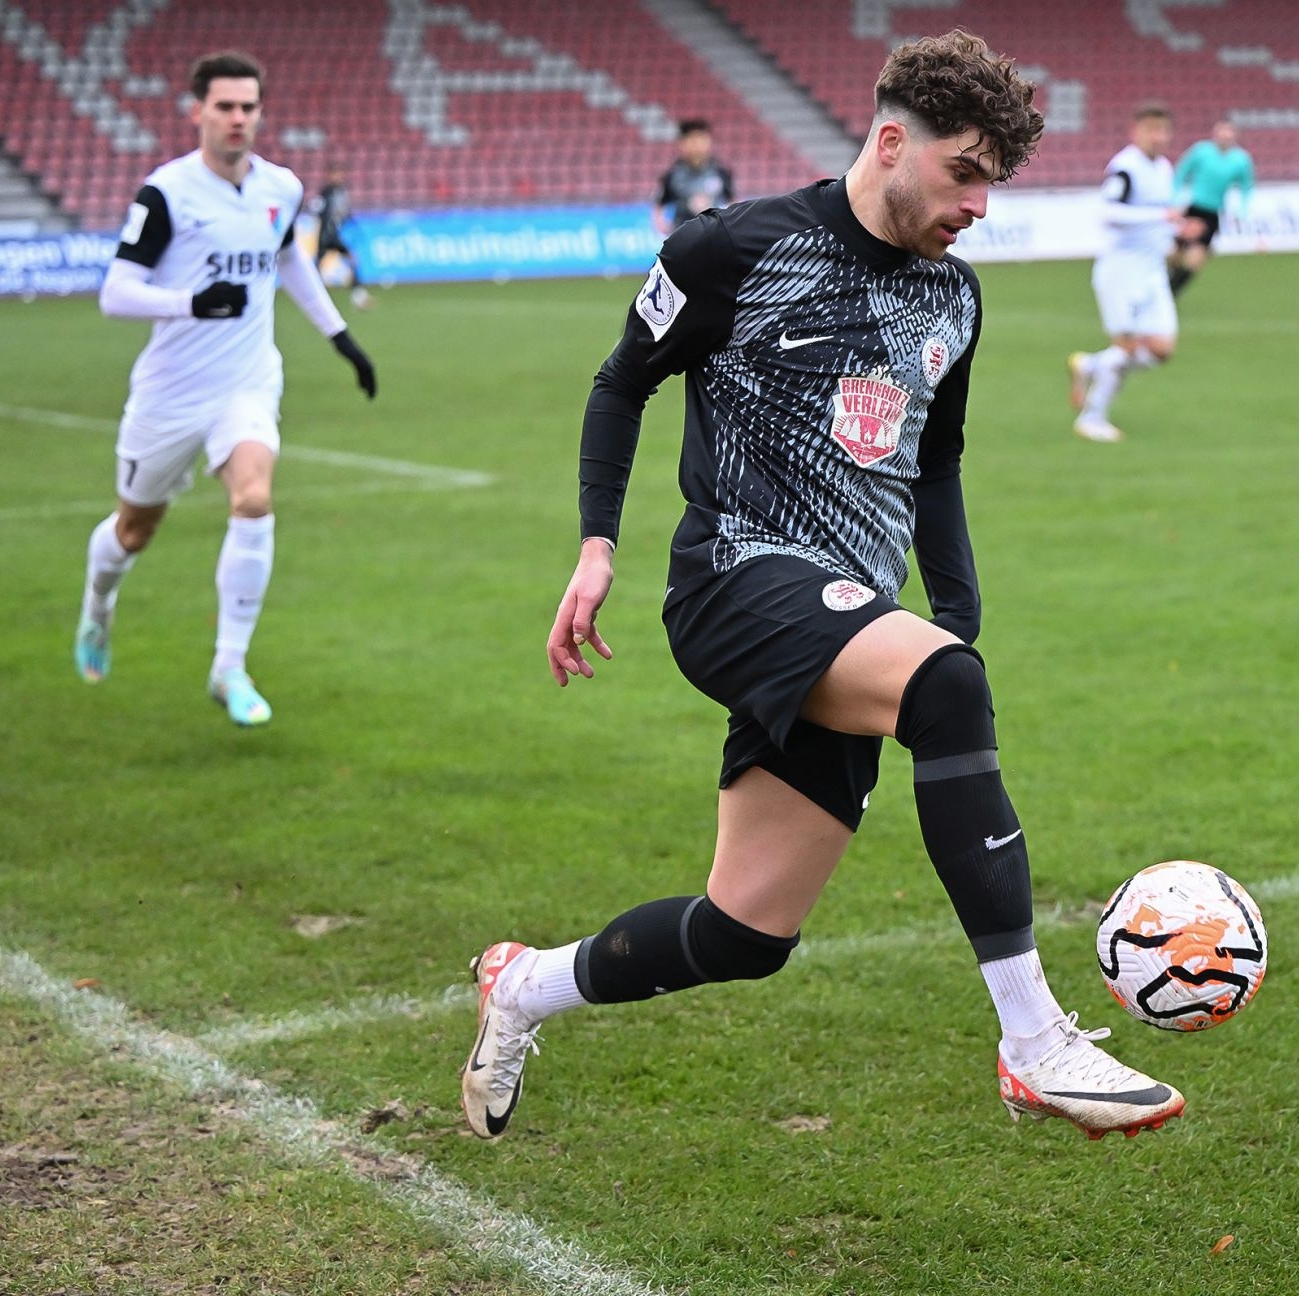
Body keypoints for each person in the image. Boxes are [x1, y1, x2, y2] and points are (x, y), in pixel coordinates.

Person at [461, 31, 1185, 1145]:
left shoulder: (955, 298)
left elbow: (934, 464)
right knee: (944, 689)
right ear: (891, 142)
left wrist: (954, 615)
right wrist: (597, 543)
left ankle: (521, 987)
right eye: (965, 172)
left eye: (994, 183)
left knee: (745, 933)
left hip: (848, 613)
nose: (979, 205)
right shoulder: (732, 249)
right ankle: (1036, 1040)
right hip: (733, 580)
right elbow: (622, 382)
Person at [76, 51, 376, 727]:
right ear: (198, 112)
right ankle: (98, 605)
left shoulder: (281, 187)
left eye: (248, 107)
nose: (238, 118)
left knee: (254, 497)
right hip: (171, 392)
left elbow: (288, 257)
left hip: (247, 381)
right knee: (133, 531)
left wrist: (340, 337)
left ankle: (229, 667)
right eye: (225, 107)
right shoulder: (167, 192)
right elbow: (115, 292)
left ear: (260, 113)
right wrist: (190, 303)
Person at [1066, 103, 1179, 444]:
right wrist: (1160, 218)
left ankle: (1089, 365)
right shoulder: (1125, 168)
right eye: (1151, 130)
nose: (1158, 137)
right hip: (1121, 271)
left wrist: (1173, 235)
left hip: (1152, 271)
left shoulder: (1164, 168)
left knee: (1161, 348)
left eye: (1163, 130)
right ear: (1136, 132)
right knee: (1127, 349)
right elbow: (1109, 213)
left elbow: (1162, 216)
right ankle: (1092, 418)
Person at [1168, 117, 1253, 295]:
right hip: (1192, 209)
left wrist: (1242, 210)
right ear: (1215, 134)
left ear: (1235, 136)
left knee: (1195, 261)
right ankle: (1162, 283)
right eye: (1222, 133)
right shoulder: (1201, 152)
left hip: (1212, 214)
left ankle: (1170, 293)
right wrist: (1175, 201)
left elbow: (1247, 188)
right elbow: (1181, 173)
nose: (1225, 137)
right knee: (1173, 254)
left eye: (1229, 134)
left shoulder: (1241, 160)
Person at [651, 118, 735, 235]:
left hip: (714, 234)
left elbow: (732, 200)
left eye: (701, 139)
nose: (697, 145)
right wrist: (664, 227)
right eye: (692, 140)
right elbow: (659, 205)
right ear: (682, 143)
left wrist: (731, 223)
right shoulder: (672, 175)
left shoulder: (721, 171)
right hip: (682, 235)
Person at [314, 165, 370, 309]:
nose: (338, 177)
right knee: (317, 265)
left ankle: (358, 293)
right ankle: (314, 294)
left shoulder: (342, 191)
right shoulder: (326, 192)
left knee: (351, 258)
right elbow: (318, 209)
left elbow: (345, 212)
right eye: (335, 174)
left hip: (335, 234)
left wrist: (352, 223)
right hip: (325, 235)